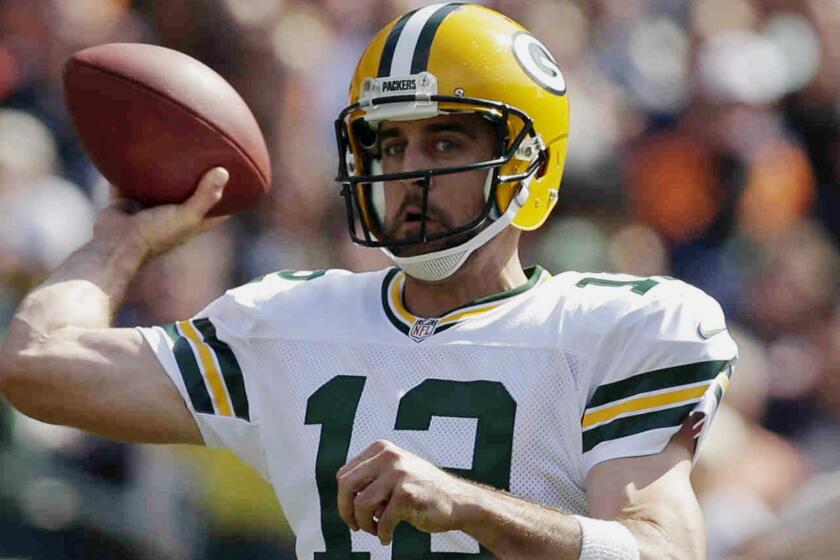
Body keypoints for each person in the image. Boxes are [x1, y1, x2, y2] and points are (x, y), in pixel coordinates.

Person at [0, 4, 737, 559]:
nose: (409, 172)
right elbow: (39, 367)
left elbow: (664, 553)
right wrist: (119, 243)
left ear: (531, 166)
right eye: (388, 143)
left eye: (444, 140)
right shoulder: (290, 318)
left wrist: (473, 508)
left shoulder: (623, 327)